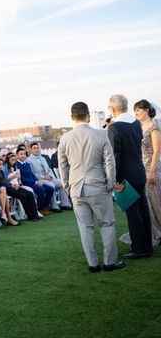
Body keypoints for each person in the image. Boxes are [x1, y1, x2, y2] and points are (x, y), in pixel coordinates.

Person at [58, 101, 125, 272]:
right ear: (88, 115)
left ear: (72, 117)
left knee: (85, 228)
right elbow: (110, 162)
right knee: (107, 224)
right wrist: (110, 183)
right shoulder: (100, 135)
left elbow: (62, 167)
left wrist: (67, 187)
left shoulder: (64, 139)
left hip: (76, 189)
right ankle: (110, 262)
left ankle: (93, 264)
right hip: (98, 186)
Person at [107, 94, 153, 259]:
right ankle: (146, 246)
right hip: (139, 172)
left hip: (124, 176)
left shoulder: (114, 127)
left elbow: (114, 157)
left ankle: (139, 249)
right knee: (142, 210)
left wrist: (114, 180)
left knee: (133, 213)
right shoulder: (135, 123)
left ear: (112, 109)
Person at [134, 99, 161, 246]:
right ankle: (150, 231)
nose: (136, 113)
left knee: (155, 202)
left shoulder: (154, 128)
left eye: (138, 110)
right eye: (135, 110)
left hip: (153, 169)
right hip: (140, 168)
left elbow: (157, 151)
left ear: (147, 110)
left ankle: (158, 231)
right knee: (147, 202)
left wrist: (151, 171)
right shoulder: (138, 127)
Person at [28, 142, 72, 210]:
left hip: (48, 178)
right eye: (34, 148)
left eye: (38, 148)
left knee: (63, 183)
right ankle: (53, 206)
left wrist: (50, 176)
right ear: (30, 150)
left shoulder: (43, 158)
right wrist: (44, 177)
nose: (37, 149)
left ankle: (64, 204)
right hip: (40, 180)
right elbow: (32, 173)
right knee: (51, 185)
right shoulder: (28, 160)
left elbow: (49, 169)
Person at [16, 148, 56, 215]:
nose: (23, 155)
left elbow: (32, 174)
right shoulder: (17, 165)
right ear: (17, 155)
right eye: (21, 154)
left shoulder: (27, 164)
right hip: (26, 184)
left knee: (50, 189)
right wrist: (35, 182)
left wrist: (38, 181)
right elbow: (22, 178)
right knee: (41, 189)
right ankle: (41, 209)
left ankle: (44, 207)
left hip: (33, 182)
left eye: (24, 154)